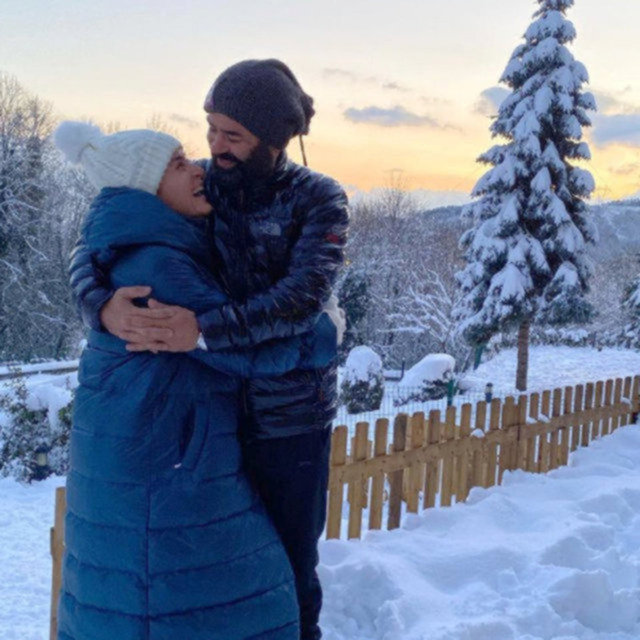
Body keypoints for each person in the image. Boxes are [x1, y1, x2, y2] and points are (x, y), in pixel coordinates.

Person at [69, 59, 350, 640]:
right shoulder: (202, 182)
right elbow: (102, 236)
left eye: (233, 135)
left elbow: (298, 299)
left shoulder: (317, 199)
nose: (214, 147)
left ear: (273, 139)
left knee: (290, 565)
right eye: (211, 128)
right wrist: (99, 304)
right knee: (228, 572)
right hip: (213, 413)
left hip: (286, 416)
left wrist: (202, 331)